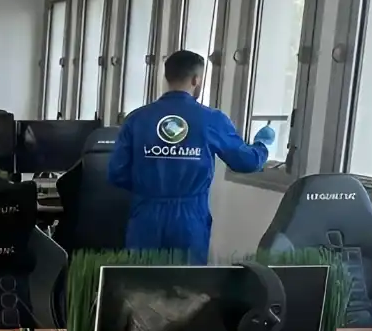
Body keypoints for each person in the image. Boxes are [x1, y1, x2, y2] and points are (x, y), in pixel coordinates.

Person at [108, 50, 274, 264]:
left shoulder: (136, 119)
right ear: (197, 80)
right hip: (189, 217)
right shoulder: (211, 119)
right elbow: (246, 162)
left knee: (141, 285)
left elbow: (116, 173)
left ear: (166, 77)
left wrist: (149, 186)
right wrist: (262, 145)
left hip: (146, 214)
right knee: (188, 288)